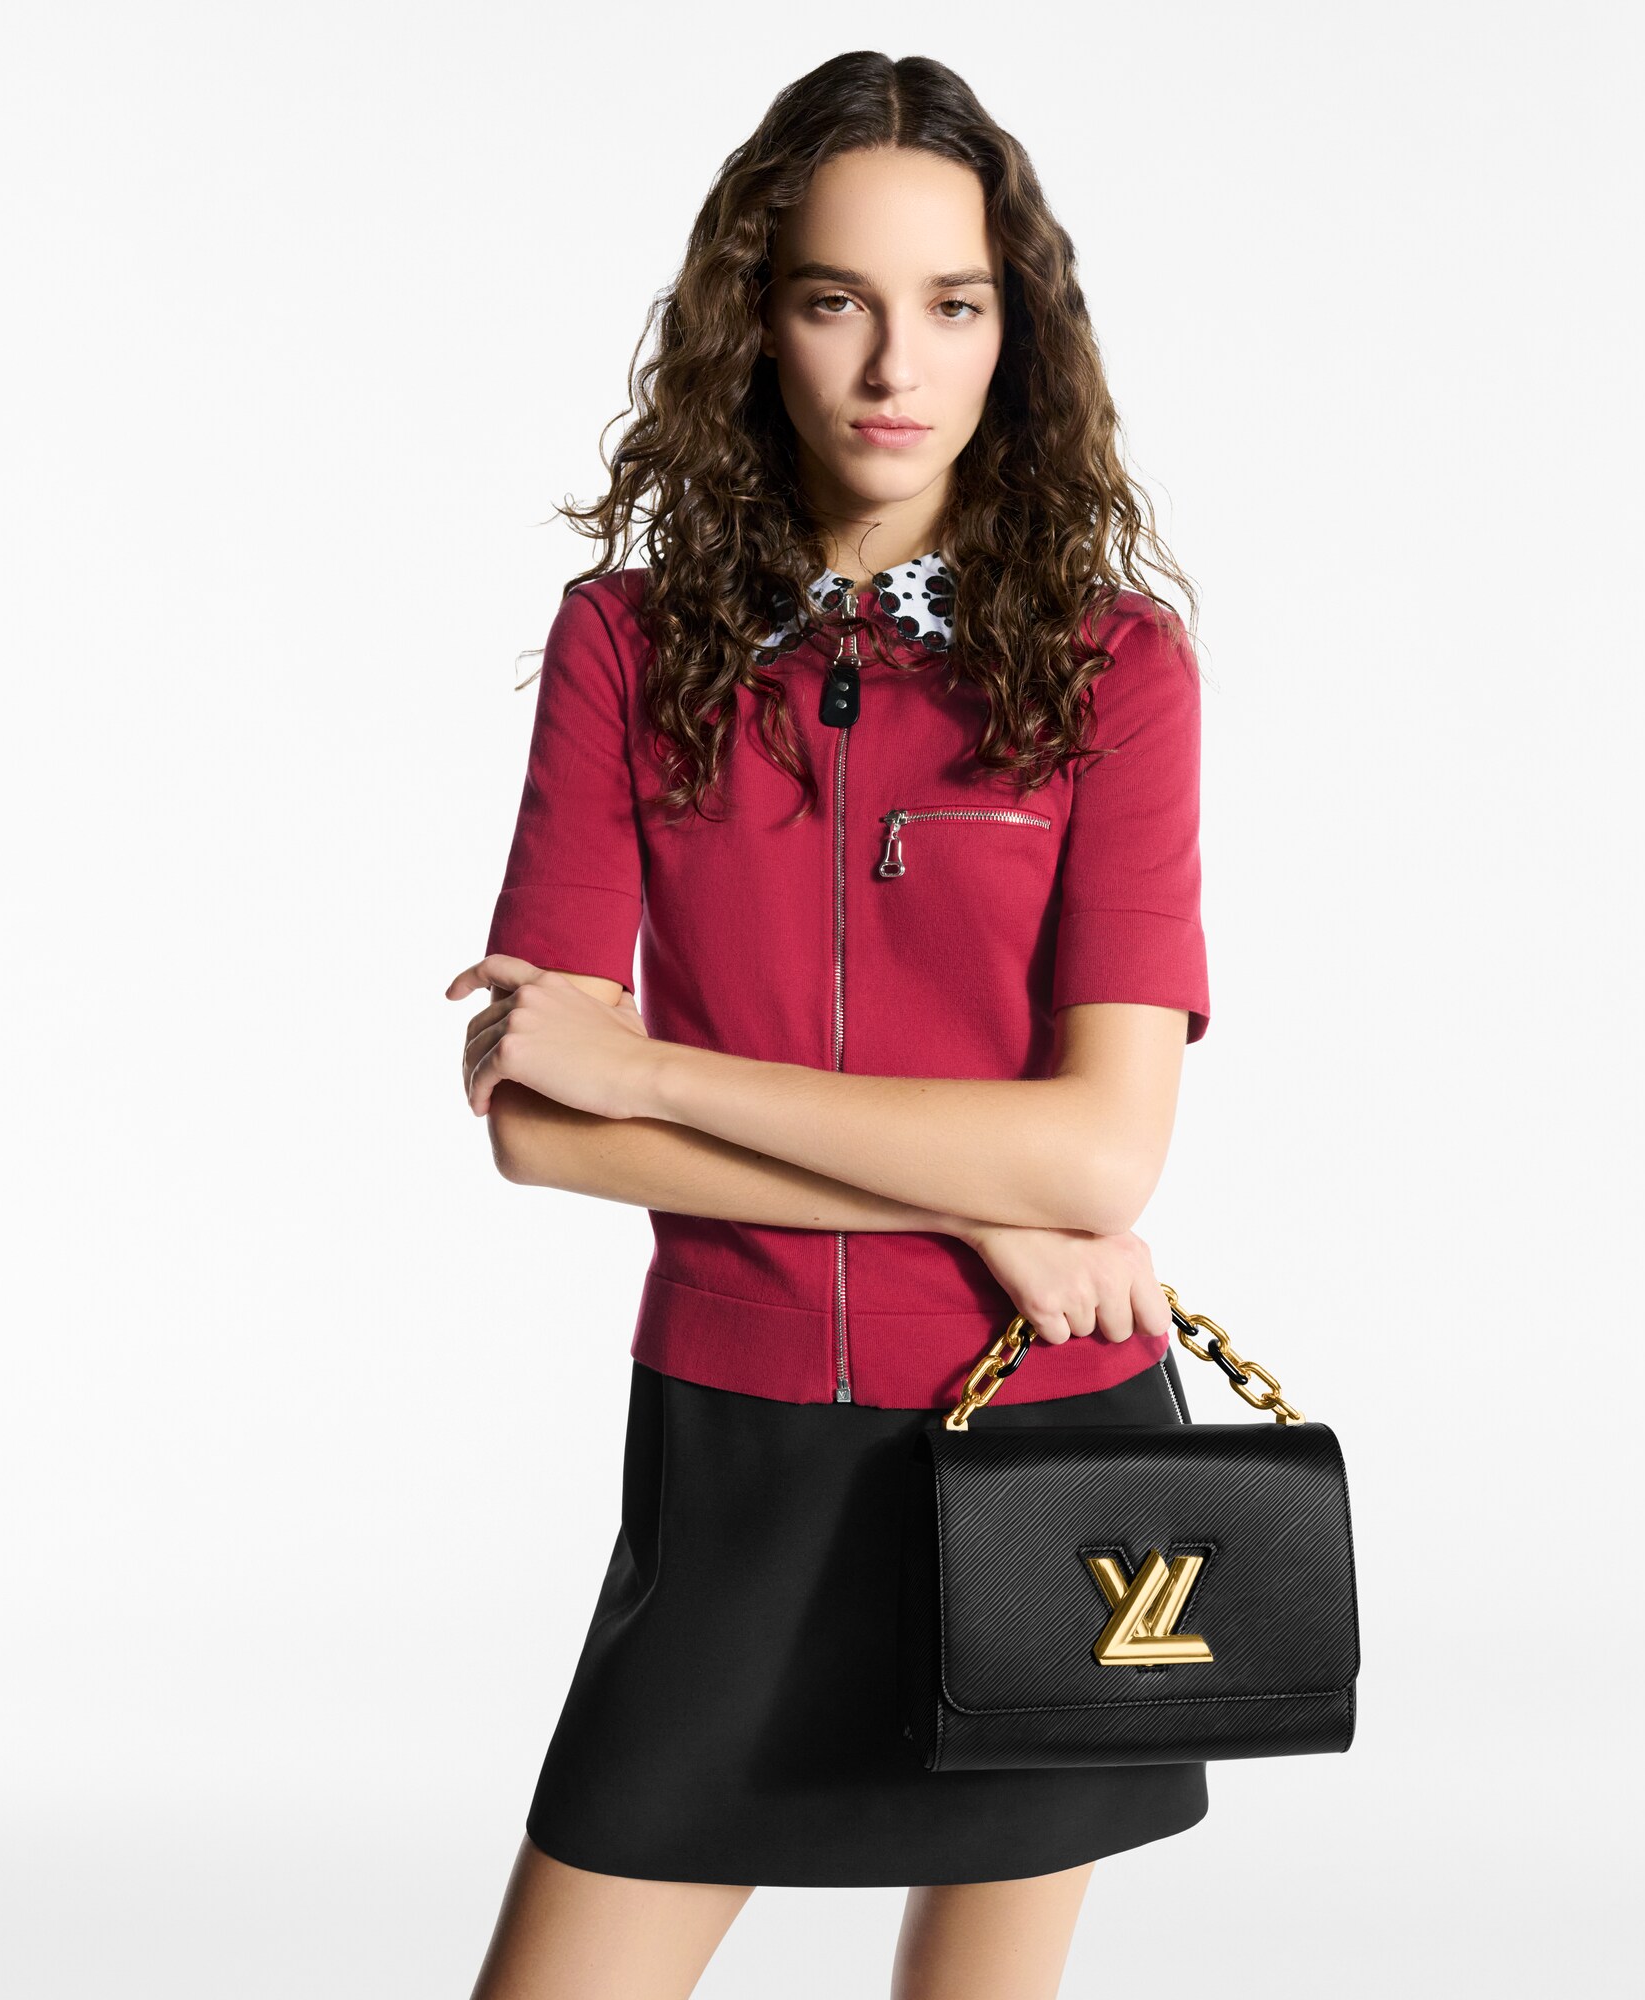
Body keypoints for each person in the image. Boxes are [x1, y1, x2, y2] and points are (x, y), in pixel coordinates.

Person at [444, 51, 1213, 2000]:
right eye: (833, 300)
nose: (894, 364)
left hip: (1040, 1439)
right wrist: (985, 1208)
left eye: (952, 304)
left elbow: (1103, 1150)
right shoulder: (625, 646)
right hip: (741, 1444)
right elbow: (536, 1122)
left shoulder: (1114, 670)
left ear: (1014, 334)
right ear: (753, 321)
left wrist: (646, 1068)